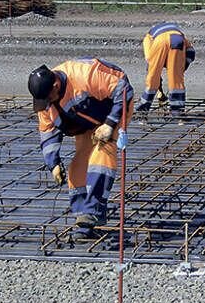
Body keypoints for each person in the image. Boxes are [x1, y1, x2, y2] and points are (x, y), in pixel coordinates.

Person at [28, 57, 133, 242]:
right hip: (85, 121)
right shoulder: (45, 100)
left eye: (49, 99)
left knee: (102, 154)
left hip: (113, 109)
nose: (47, 104)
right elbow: (47, 132)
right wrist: (53, 163)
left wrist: (110, 124)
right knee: (78, 166)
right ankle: (82, 220)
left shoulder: (84, 75)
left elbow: (123, 90)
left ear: (56, 85)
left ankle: (93, 211)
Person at [135, 22, 195, 116]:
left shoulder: (148, 39)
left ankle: (143, 109)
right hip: (177, 40)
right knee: (176, 80)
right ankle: (177, 112)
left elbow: (151, 66)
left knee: (152, 76)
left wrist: (158, 86)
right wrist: (180, 68)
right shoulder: (183, 38)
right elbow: (191, 53)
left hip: (160, 41)